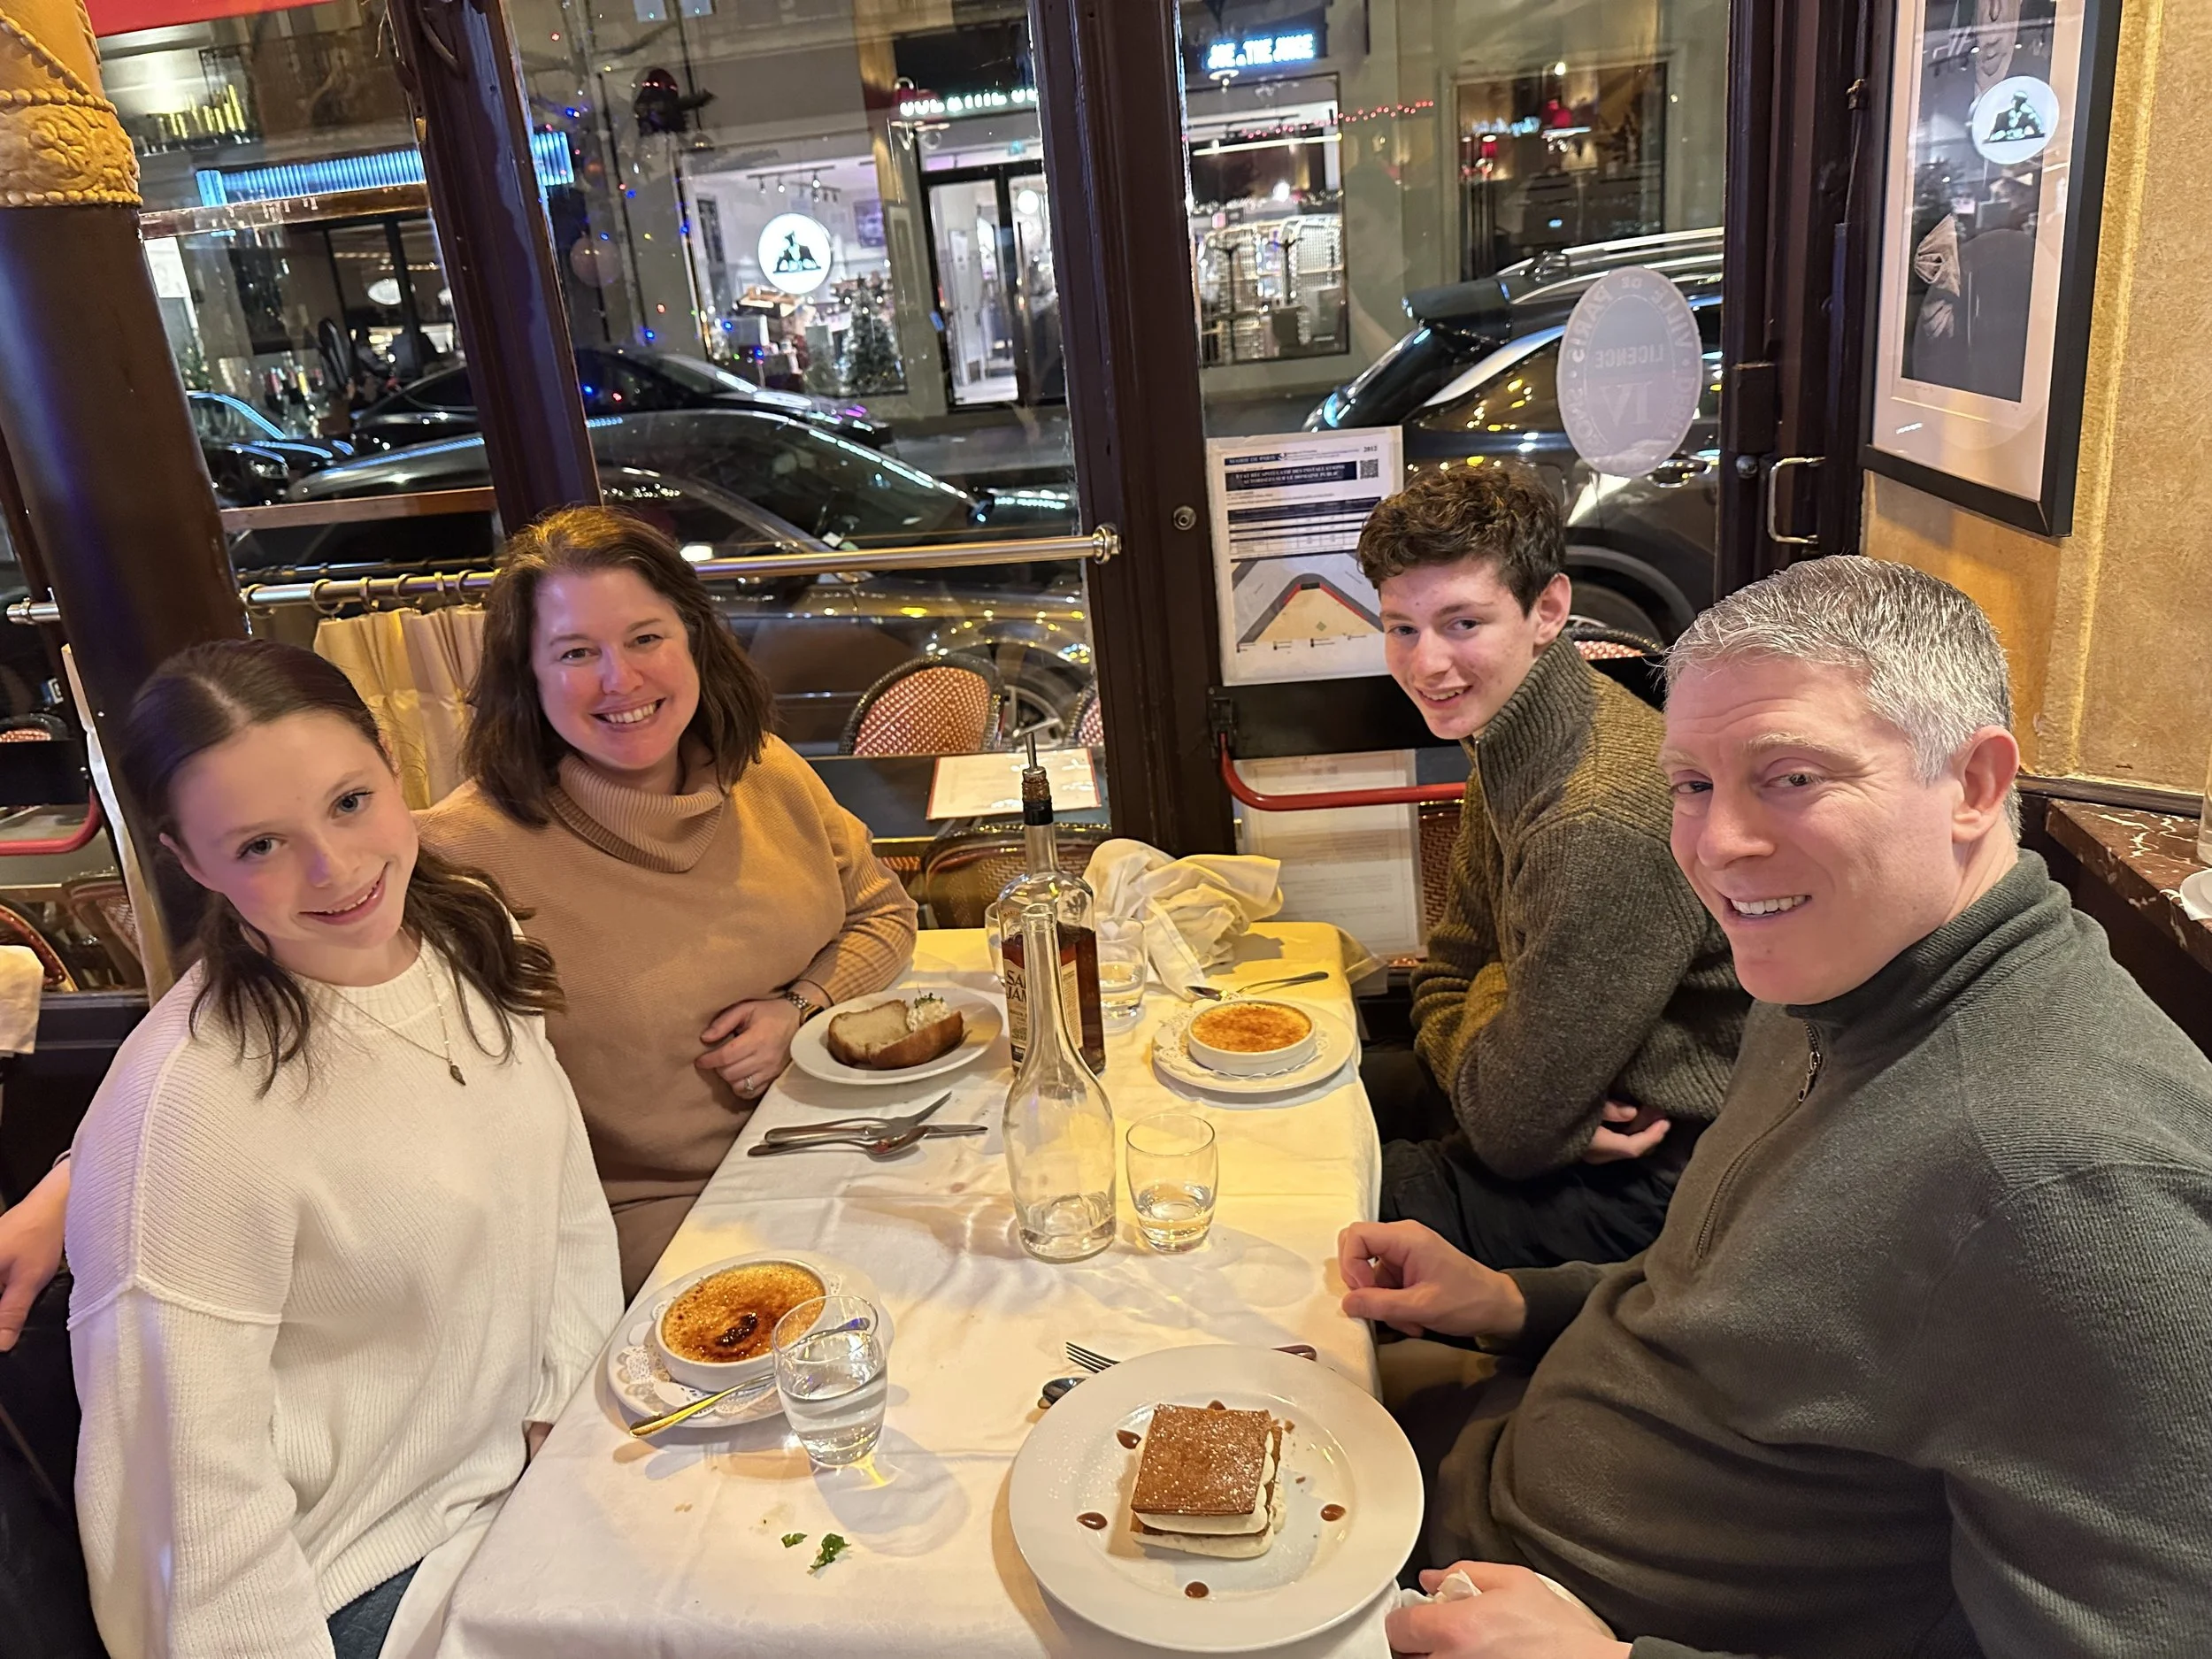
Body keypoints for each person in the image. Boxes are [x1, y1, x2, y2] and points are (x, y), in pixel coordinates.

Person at [1342, 557, 2212, 1657]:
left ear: (1977, 783)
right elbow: (1749, 1308)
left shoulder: (2076, 1187)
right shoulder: (1830, 977)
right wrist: (1515, 1302)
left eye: (1790, 777)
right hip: (1503, 1467)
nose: (1716, 846)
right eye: (1691, 784)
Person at [66, 641, 620, 1657]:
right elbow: (189, 1516)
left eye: (350, 803)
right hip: (353, 1581)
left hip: (520, 1485)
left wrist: (564, 1412)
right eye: (260, 846)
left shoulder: (462, 929)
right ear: (189, 861)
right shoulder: (192, 1115)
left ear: (391, 764)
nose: (337, 869)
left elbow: (563, 1199)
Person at [419, 506, 918, 1294]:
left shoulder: (764, 768)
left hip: (834, 1136)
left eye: (645, 638)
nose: (621, 679)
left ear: (693, 638)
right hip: (661, 1216)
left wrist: (802, 1004)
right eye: (577, 652)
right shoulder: (462, 856)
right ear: (529, 677)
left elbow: (884, 914)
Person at [1357, 465, 1745, 1267]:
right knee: (1332, 1100)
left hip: (1665, 1174)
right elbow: (1452, 966)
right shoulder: (1510, 733)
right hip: (1554, 1088)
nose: (1426, 663)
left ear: (1550, 611)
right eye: (1402, 627)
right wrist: (1499, 990)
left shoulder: (1593, 811)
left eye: (1463, 623)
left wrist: (1496, 999)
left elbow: (1509, 1131)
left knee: (1333, 1205)